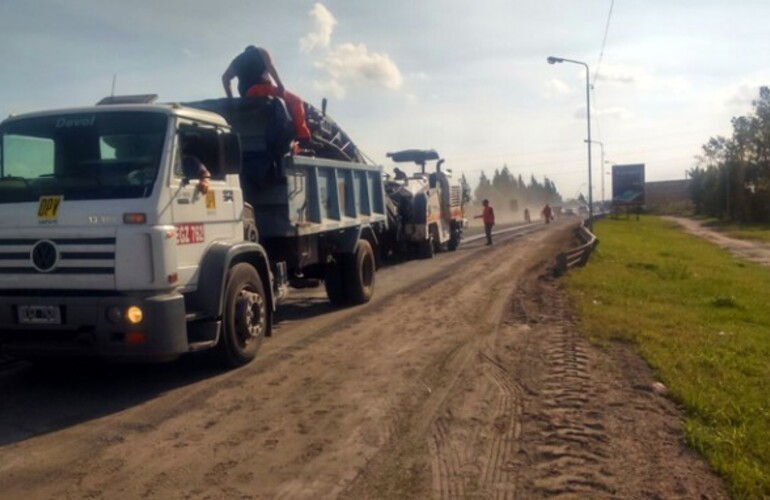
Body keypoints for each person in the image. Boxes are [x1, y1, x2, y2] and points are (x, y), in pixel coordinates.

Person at [222, 45, 312, 144]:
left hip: (248, 94)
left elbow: (225, 78)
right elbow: (270, 67)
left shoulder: (237, 61)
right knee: (296, 101)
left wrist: (231, 100)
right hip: (263, 88)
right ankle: (303, 137)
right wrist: (280, 85)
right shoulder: (260, 51)